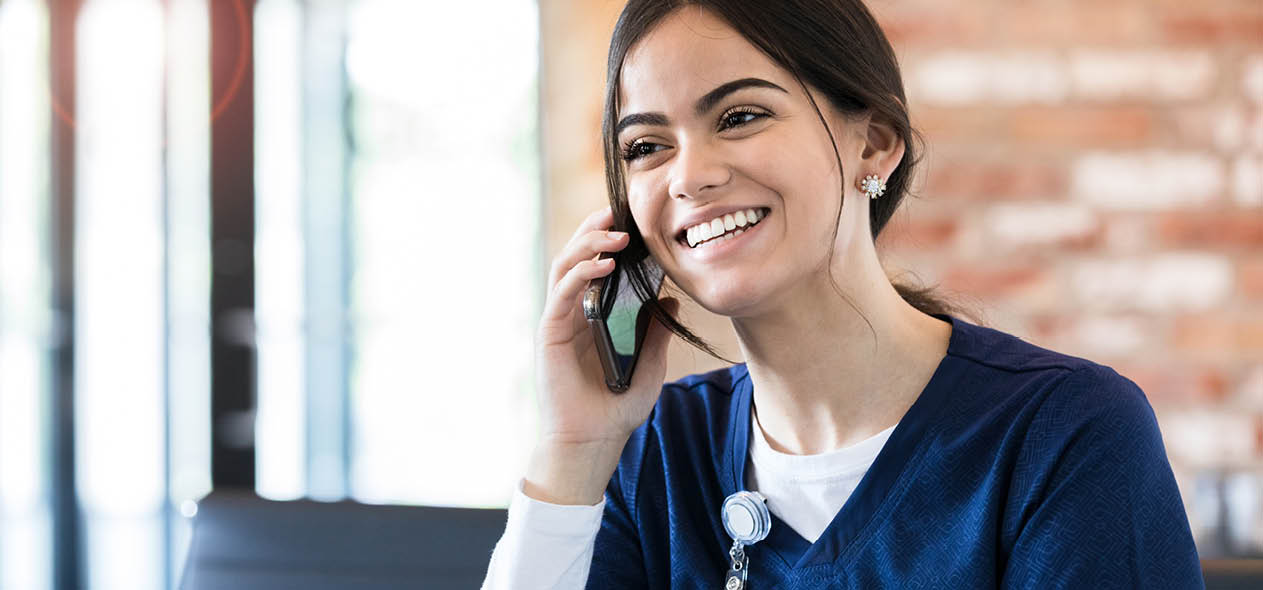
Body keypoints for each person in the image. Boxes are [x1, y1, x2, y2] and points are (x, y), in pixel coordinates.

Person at [483, 0, 1204, 587]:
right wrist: (573, 450)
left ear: (874, 144)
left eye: (739, 117)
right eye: (646, 147)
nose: (689, 176)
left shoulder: (1064, 434)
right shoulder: (652, 454)